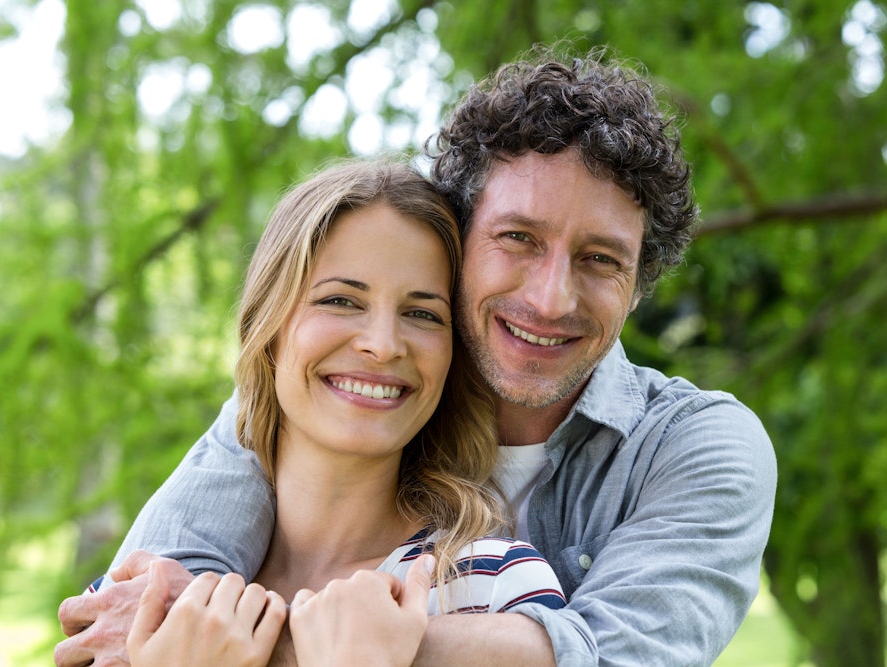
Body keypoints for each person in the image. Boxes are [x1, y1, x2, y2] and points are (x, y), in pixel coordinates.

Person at [56, 46, 777, 667]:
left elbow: (616, 654)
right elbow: (139, 612)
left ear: (639, 287)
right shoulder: (327, 401)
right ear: (457, 248)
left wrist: (290, 642)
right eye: (518, 238)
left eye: (599, 259)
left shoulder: (697, 446)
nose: (552, 298)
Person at [103, 159, 566, 667]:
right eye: (342, 300)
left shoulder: (487, 589)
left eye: (421, 314)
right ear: (269, 326)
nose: (384, 345)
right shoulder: (148, 597)